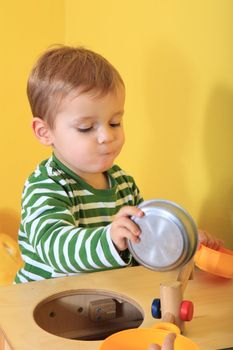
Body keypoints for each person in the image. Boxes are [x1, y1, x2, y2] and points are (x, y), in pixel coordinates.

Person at [15, 45, 222, 283]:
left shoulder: (124, 183)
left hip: (103, 296)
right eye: (86, 128)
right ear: (45, 132)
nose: (107, 136)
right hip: (43, 302)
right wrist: (109, 239)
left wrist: (182, 240)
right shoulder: (45, 185)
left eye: (114, 123)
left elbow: (143, 240)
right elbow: (54, 248)